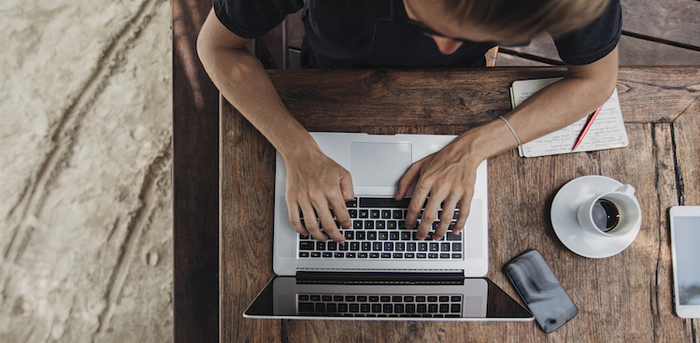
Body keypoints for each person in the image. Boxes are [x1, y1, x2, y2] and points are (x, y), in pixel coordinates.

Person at [197, 0, 621, 245]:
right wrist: (297, 150)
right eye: (430, 20)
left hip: (458, 96)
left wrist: (473, 147)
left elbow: (597, 80)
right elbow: (218, 49)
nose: (446, 46)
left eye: (481, 30)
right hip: (325, 76)